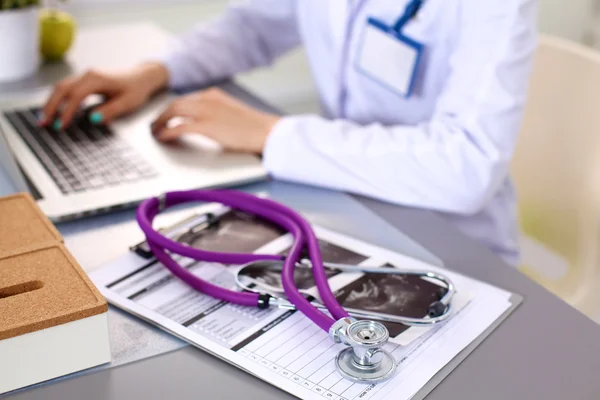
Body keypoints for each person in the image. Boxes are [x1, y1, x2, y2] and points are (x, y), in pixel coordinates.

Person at [39, 0, 538, 266]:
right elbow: (253, 27)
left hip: (451, 242)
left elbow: (466, 165)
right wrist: (156, 71)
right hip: (348, 209)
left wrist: (272, 135)